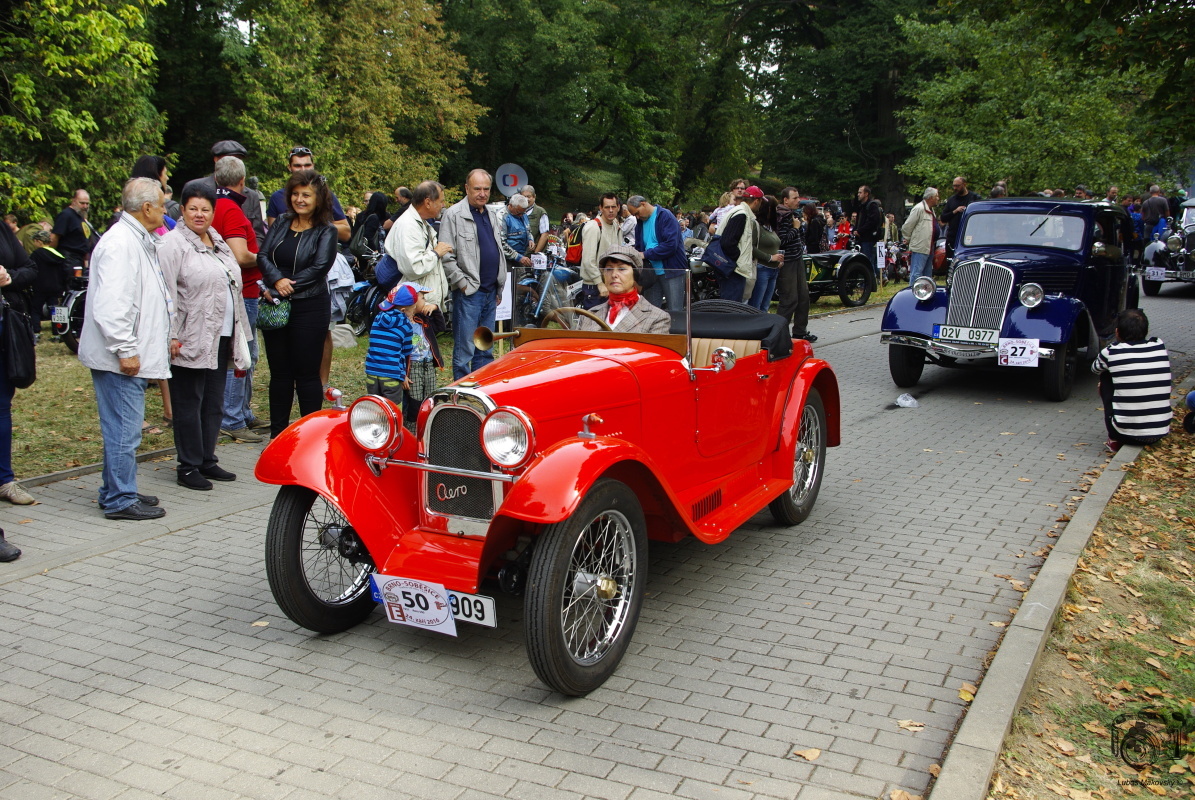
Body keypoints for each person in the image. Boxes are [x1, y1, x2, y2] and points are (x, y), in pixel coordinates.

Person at [77, 178, 171, 521]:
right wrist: (125, 349)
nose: (164, 210)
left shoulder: (133, 239)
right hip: (118, 357)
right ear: (146, 208)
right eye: (161, 205)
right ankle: (119, 498)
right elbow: (112, 305)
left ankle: (116, 489)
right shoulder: (121, 243)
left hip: (126, 353)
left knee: (121, 428)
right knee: (123, 430)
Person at [159, 181, 253, 490]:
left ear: (213, 212)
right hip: (189, 336)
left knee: (213, 402)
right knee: (189, 402)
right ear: (182, 210)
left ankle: (206, 459)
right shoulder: (173, 245)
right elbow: (167, 293)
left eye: (206, 209)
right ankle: (187, 466)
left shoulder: (219, 243)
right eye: (193, 209)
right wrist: (171, 334)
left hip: (221, 335)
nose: (199, 215)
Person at [257, 169, 339, 439]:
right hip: (276, 303)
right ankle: (277, 436)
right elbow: (263, 254)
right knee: (280, 373)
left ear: (318, 198)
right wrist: (276, 281)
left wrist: (285, 286)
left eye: (306, 195)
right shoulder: (281, 220)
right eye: (295, 194)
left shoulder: (326, 229)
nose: (299, 200)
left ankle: (309, 437)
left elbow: (319, 267)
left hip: (309, 306)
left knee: (306, 374)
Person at [439, 169, 522, 379]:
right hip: (469, 292)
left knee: (485, 348)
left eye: (486, 189)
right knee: (465, 349)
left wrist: (499, 284)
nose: (482, 194)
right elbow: (446, 255)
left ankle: (482, 390)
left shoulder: (492, 215)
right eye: (477, 189)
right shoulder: (454, 214)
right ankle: (461, 394)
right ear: (467, 188)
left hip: (490, 291)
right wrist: (462, 283)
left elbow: (498, 250)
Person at [211, 156, 266, 443]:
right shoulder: (230, 209)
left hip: (239, 291)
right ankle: (232, 417)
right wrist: (268, 258)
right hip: (242, 291)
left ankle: (242, 412)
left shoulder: (215, 204)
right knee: (242, 356)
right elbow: (240, 256)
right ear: (242, 181)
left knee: (248, 354)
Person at [1091, 309, 1172, 453]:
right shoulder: (1159, 345)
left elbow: (1095, 369)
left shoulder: (1111, 352)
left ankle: (1114, 439)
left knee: (1105, 375)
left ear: (1117, 332)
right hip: (1160, 431)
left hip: (1124, 434)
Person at [0, 219, 38, 509]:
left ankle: (5, 480)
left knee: (2, 405)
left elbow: (30, 269)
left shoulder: (2, 229)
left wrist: (8, 277)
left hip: (5, 328)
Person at [576, 245, 671, 334]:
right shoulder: (588, 316)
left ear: (635, 275)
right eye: (609, 269)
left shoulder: (657, 318)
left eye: (621, 269)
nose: (614, 275)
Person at [385, 180, 452, 306]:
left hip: (423, 305)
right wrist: (436, 253)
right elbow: (413, 268)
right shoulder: (408, 226)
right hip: (415, 307)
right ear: (428, 202)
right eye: (441, 201)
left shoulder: (420, 222)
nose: (443, 205)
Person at [265, 146, 351, 243]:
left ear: (313, 166)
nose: (303, 169)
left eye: (307, 165)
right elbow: (273, 236)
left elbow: (346, 234)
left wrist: (314, 224)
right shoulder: (277, 197)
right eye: (297, 166)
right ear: (289, 167)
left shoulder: (326, 194)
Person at [629, 195, 687, 311]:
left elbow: (671, 245)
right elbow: (639, 246)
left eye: (637, 213)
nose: (637, 217)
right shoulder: (640, 222)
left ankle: (676, 329)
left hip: (671, 270)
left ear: (643, 204)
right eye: (635, 215)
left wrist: (645, 254)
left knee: (675, 310)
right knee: (650, 311)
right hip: (651, 272)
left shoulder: (666, 216)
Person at [364, 283, 417, 410]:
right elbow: (406, 352)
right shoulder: (406, 327)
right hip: (391, 375)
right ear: (404, 310)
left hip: (371, 372)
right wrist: (402, 375)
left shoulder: (377, 318)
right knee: (392, 410)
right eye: (413, 308)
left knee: (374, 406)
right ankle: (394, 429)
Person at [776, 187, 812, 340]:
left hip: (797, 258)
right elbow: (782, 240)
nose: (798, 201)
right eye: (795, 198)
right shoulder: (782, 216)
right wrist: (796, 229)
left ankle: (800, 331)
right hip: (788, 261)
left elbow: (800, 237)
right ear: (786, 200)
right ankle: (778, 333)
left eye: (798, 198)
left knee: (803, 297)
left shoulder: (793, 215)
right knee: (790, 299)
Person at [715, 185, 759, 303]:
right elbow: (727, 242)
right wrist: (737, 259)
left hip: (732, 268)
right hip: (733, 270)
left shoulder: (740, 212)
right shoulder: (741, 214)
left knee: (731, 306)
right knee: (731, 307)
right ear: (756, 201)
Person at [579, 194, 622, 309]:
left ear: (618, 207)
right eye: (607, 207)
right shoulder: (593, 227)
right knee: (594, 325)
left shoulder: (616, 227)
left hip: (611, 283)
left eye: (613, 207)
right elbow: (588, 260)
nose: (611, 210)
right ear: (601, 208)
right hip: (594, 286)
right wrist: (599, 283)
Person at [748, 195, 783, 312]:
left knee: (765, 305)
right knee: (756, 305)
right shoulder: (756, 225)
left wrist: (777, 259)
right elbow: (750, 246)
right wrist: (769, 257)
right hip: (762, 268)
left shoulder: (770, 227)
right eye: (774, 209)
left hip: (773, 270)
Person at [50, 189, 96, 270]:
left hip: (79, 260)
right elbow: (54, 237)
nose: (85, 206)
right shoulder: (66, 215)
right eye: (82, 203)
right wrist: (52, 257)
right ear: (74, 201)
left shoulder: (80, 216)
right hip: (68, 260)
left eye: (87, 203)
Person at [902, 187, 939, 284]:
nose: (938, 198)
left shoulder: (930, 210)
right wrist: (909, 239)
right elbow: (907, 226)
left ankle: (925, 295)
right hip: (920, 247)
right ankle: (912, 294)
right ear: (930, 197)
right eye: (936, 196)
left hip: (929, 247)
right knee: (916, 274)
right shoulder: (919, 208)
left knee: (927, 275)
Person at [940, 176, 980, 257]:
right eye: (954, 186)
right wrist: (955, 211)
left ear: (964, 184)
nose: (955, 188)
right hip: (953, 237)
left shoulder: (974, 198)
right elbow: (943, 218)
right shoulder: (951, 200)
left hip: (970, 237)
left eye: (957, 186)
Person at [855, 185, 883, 281]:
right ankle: (869, 279)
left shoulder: (872, 205)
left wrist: (860, 230)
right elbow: (858, 221)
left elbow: (872, 221)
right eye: (858, 192)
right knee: (865, 260)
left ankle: (870, 281)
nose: (858, 195)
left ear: (866, 194)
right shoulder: (861, 207)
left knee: (868, 260)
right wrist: (855, 230)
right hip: (861, 238)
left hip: (868, 238)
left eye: (860, 192)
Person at [501, 193, 534, 261]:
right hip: (507, 259)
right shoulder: (502, 217)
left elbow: (528, 230)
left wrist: (530, 239)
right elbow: (501, 243)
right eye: (518, 212)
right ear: (511, 206)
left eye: (523, 213)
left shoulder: (522, 213)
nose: (521, 215)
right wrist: (517, 257)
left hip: (522, 255)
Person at [520, 185, 551, 253]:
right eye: (524, 197)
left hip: (532, 256)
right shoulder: (517, 211)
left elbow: (545, 235)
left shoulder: (540, 212)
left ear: (534, 197)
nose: (526, 199)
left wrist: (535, 254)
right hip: (518, 256)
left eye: (528, 196)